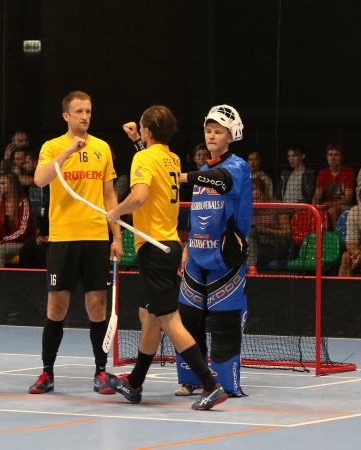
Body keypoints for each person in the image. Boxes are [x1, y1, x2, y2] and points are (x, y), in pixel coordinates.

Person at [101, 105, 227, 410]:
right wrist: (138, 141)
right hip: (169, 245)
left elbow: (140, 196)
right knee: (150, 317)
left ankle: (210, 386)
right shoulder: (172, 158)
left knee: (169, 320)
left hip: (154, 250)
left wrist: (115, 213)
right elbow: (153, 164)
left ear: (148, 131)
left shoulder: (143, 158)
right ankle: (134, 383)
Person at [28, 91, 123, 396]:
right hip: (63, 238)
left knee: (97, 306)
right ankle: (47, 372)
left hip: (95, 237)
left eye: (89, 111)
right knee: (57, 306)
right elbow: (39, 179)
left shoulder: (102, 148)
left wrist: (116, 235)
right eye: (79, 111)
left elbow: (109, 195)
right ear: (66, 116)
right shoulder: (53, 146)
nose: (85, 116)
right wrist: (69, 150)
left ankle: (100, 372)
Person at [172, 105, 252, 400]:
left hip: (225, 260)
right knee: (187, 321)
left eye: (218, 132)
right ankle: (191, 379)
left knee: (224, 325)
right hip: (195, 257)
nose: (212, 136)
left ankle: (226, 384)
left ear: (230, 137)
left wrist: (183, 176)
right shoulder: (204, 170)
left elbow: (223, 180)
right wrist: (186, 248)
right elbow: (198, 217)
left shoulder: (237, 168)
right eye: (208, 131)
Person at [0, 173, 35, 267]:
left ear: (12, 185)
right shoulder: (0, 203)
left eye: (3, 183)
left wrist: (2, 242)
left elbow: (23, 230)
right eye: (0, 183)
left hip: (21, 242)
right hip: (1, 242)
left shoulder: (23, 202)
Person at [246, 178, 291, 274]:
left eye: (258, 197)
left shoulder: (278, 206)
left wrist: (265, 230)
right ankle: (251, 271)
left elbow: (287, 233)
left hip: (274, 246)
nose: (255, 202)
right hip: (254, 243)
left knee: (247, 254)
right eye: (252, 199)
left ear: (265, 192)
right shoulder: (248, 207)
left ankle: (251, 271)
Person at [312, 142, 355, 230]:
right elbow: (317, 196)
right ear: (327, 157)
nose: (333, 158)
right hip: (326, 206)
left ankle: (336, 237)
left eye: (336, 155)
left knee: (332, 211)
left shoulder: (349, 172)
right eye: (330, 155)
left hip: (344, 206)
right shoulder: (322, 173)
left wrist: (329, 205)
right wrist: (315, 205)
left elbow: (348, 199)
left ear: (342, 158)